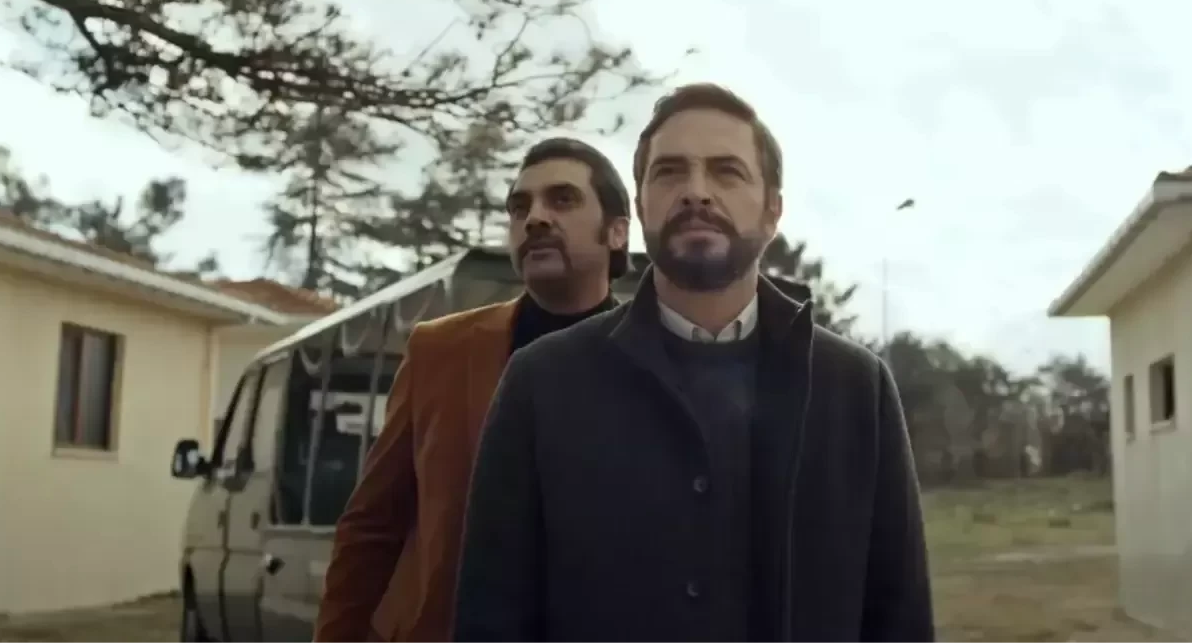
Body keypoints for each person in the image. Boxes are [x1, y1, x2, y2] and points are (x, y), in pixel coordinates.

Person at [453, 83, 935, 643]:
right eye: (670, 172)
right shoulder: (541, 382)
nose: (696, 192)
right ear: (640, 208)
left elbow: (899, 616)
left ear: (772, 210)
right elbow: (491, 617)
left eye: (727, 171)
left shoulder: (856, 388)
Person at [313, 137, 631, 643]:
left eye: (562, 200)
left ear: (617, 231)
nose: (535, 218)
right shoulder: (441, 350)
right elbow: (372, 525)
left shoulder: (653, 360)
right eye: (519, 207)